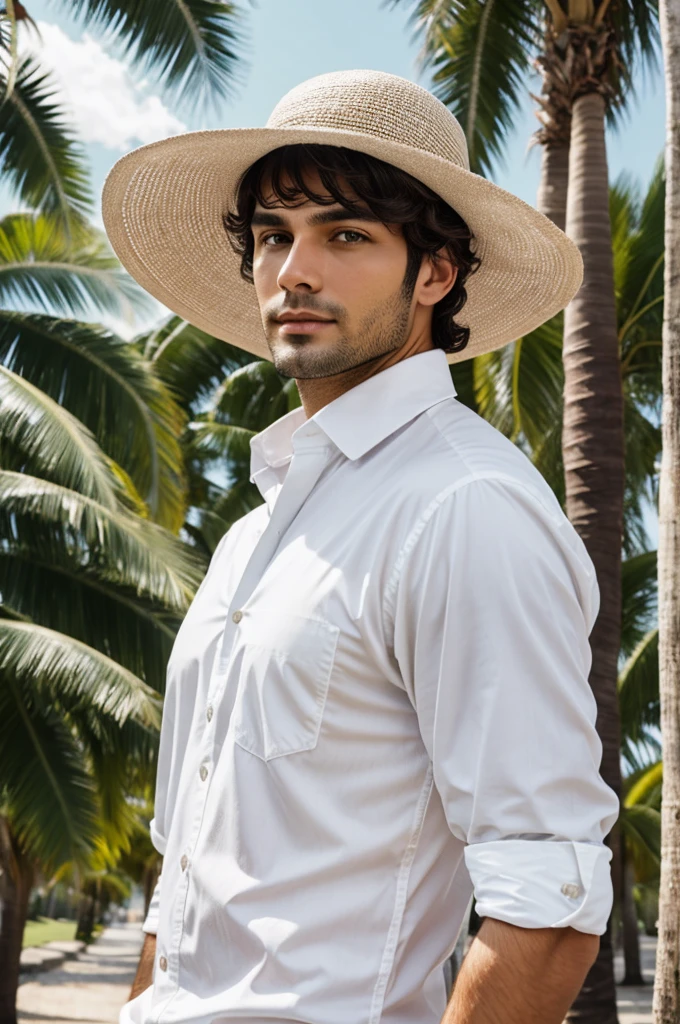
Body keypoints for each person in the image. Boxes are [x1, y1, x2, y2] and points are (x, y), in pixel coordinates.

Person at [103, 69, 620, 1024]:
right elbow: (184, 875)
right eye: (273, 236)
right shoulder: (251, 539)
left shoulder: (466, 507)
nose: (294, 271)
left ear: (436, 273)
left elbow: (549, 909)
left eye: (344, 235)